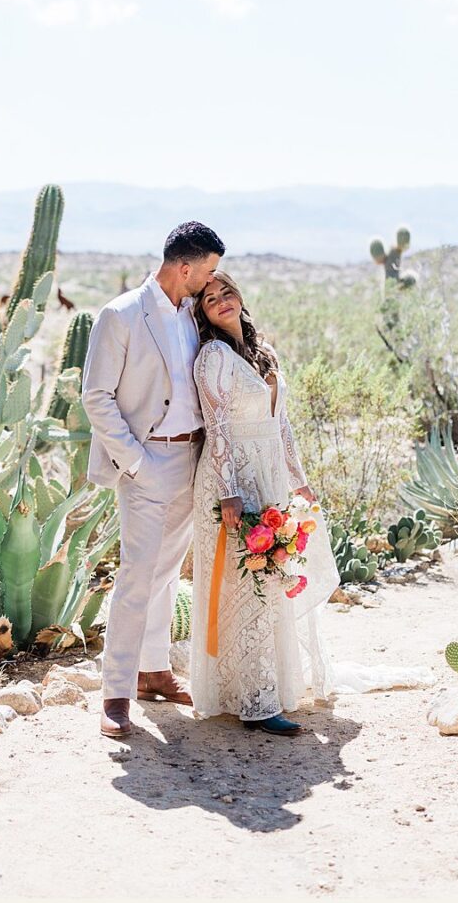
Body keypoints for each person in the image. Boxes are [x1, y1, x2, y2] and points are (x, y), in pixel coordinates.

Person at [83, 221, 225, 740]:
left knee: (167, 574)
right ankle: (115, 692)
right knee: (137, 576)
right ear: (183, 267)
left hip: (192, 459)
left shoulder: (194, 313)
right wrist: (136, 462)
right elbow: (96, 396)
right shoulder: (120, 315)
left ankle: (155, 671)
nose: (212, 280)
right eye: (208, 270)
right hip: (146, 462)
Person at [187, 269, 335, 733]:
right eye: (210, 298)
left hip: (270, 473)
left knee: (276, 580)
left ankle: (276, 686)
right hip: (234, 480)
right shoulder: (212, 356)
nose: (221, 300)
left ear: (239, 296)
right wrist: (230, 490)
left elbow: (283, 425)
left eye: (226, 292)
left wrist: (300, 480)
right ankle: (253, 700)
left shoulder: (263, 352)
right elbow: (218, 428)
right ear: (204, 313)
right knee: (247, 584)